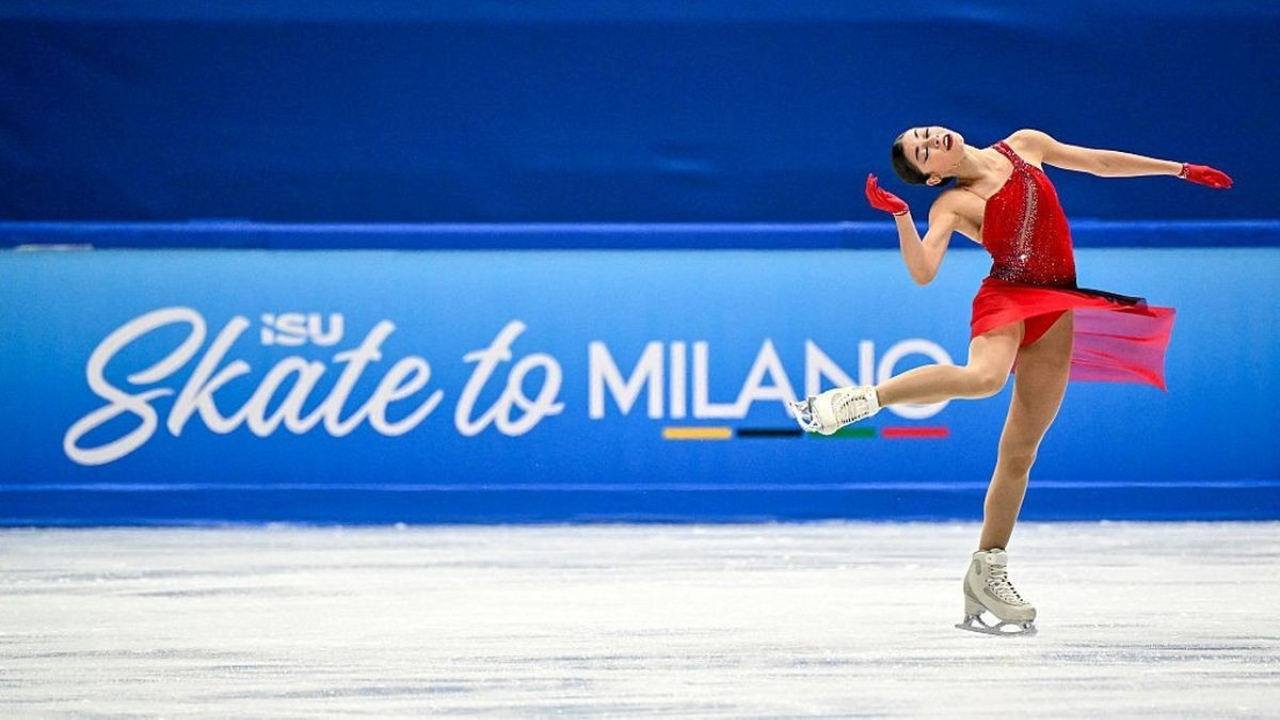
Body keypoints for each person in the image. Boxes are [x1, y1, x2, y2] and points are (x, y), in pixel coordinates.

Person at [789, 127, 1232, 635]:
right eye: (923, 150)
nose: (931, 138)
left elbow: (1097, 162)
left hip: (1056, 305)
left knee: (1021, 451)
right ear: (933, 174)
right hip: (1006, 298)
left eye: (925, 133)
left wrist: (1176, 168)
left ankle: (986, 571)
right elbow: (924, 270)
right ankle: (862, 399)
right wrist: (901, 215)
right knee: (984, 378)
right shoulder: (952, 204)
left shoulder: (1024, 144)